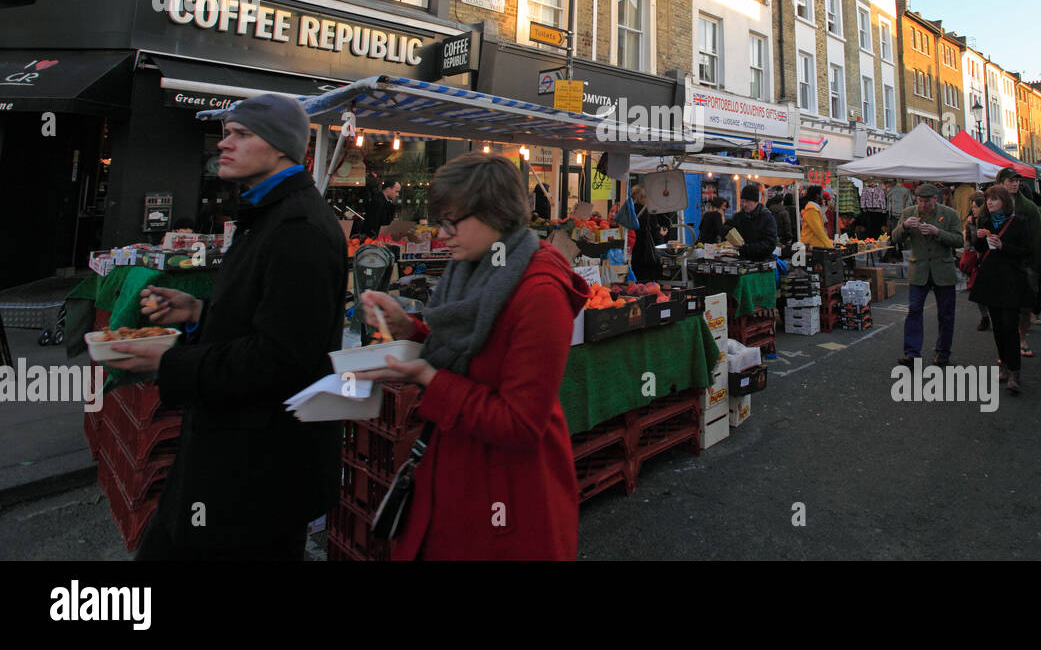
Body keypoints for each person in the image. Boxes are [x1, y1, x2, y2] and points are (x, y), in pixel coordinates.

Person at [113, 94, 346, 560]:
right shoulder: (266, 216)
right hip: (235, 461)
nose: (224, 144)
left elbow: (282, 360)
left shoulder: (297, 228)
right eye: (226, 133)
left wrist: (168, 360)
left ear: (280, 147)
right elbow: (263, 320)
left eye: (241, 134)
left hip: (257, 475)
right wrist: (199, 314)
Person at [357, 152, 587, 559]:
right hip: (456, 474)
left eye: (452, 221)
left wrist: (429, 379)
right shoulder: (478, 266)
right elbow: (469, 348)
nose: (441, 234)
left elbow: (520, 423)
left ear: (495, 214)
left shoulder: (539, 292)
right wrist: (410, 328)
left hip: (507, 498)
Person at [891, 183, 964, 366]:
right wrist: (905, 227)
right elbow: (894, 238)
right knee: (914, 311)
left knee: (946, 314)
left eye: (927, 201)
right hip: (919, 270)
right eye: (921, 201)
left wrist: (937, 232)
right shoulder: (909, 213)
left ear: (935, 199)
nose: (923, 205)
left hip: (943, 270)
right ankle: (911, 354)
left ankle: (943, 352)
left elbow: (958, 240)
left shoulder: (949, 214)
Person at [968, 185, 1029, 393]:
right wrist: (981, 237)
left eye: (994, 199)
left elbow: (1025, 251)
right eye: (988, 199)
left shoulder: (1018, 222)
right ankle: (1003, 362)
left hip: (1010, 280)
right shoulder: (984, 221)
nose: (990, 203)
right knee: (997, 326)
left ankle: (1014, 371)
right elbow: (978, 248)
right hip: (991, 279)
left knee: (1009, 325)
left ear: (1004, 200)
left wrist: (1003, 246)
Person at [995, 168, 1041, 358]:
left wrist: (1035, 264)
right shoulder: (992, 204)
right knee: (1001, 307)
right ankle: (1005, 345)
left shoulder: (1029, 207)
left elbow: (1037, 237)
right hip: (1001, 263)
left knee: (1024, 306)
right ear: (1000, 182)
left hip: (1024, 262)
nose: (1014, 184)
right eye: (1010, 180)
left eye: (1016, 180)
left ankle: (1021, 336)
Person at [963, 193, 992, 331]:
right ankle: (984, 316)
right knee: (978, 290)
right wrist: (968, 249)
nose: (973, 210)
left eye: (976, 207)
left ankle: (991, 315)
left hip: (988, 258)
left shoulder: (988, 220)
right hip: (976, 259)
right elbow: (969, 239)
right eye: (972, 207)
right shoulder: (970, 223)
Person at [728, 184, 779, 260]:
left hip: (762, 262)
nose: (744, 204)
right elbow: (729, 228)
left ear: (756, 201)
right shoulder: (738, 216)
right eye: (743, 201)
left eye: (747, 201)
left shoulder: (767, 218)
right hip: (742, 261)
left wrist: (747, 248)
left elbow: (770, 244)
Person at [629, 183, 669, 282]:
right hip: (646, 255)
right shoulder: (648, 212)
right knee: (647, 284)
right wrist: (661, 235)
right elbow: (655, 234)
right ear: (643, 197)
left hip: (632, 253)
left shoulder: (629, 211)